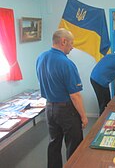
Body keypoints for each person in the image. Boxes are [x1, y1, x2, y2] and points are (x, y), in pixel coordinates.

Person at [36, 29, 88, 168]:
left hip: (49, 108)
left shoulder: (40, 57)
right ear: (63, 41)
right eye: (71, 43)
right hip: (66, 111)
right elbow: (75, 95)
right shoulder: (66, 63)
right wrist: (83, 116)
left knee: (54, 143)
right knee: (74, 144)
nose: (72, 47)